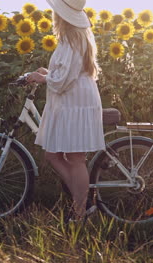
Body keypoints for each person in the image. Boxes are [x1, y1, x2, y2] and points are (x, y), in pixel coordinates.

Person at [26, 0, 105, 220]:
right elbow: (64, 70)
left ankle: (80, 211)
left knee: (75, 158)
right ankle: (82, 199)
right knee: (53, 155)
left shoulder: (71, 40)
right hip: (73, 100)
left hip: (76, 101)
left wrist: (43, 78)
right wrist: (46, 71)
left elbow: (63, 79)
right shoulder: (75, 38)